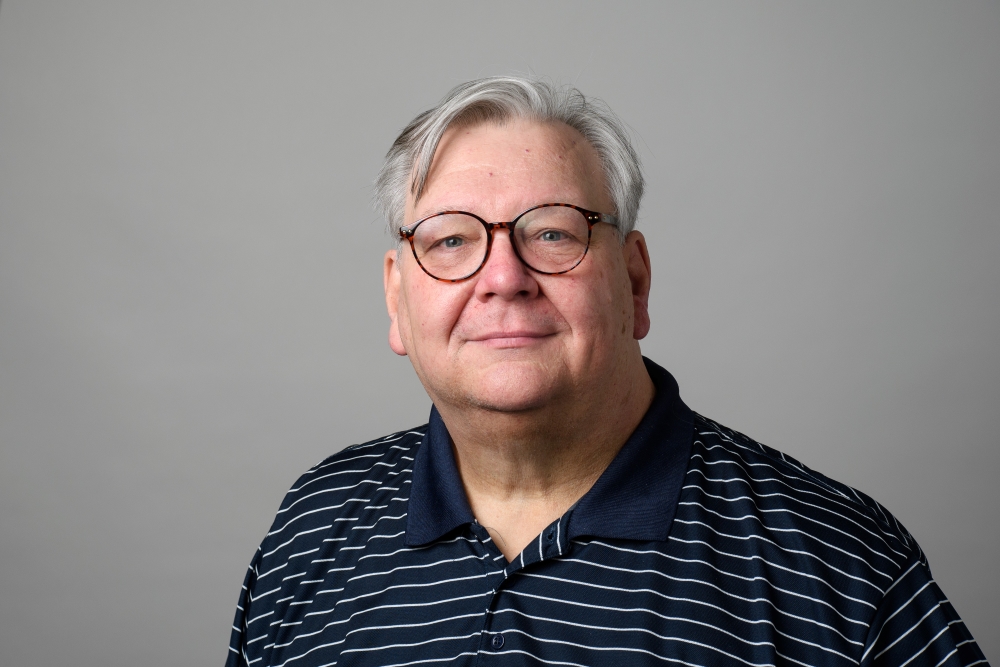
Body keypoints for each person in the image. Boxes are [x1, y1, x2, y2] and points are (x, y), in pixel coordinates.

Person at [225, 76, 987, 667]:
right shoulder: (313, 525)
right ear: (397, 296)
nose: (503, 277)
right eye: (452, 241)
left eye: (553, 231)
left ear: (635, 280)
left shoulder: (835, 563)